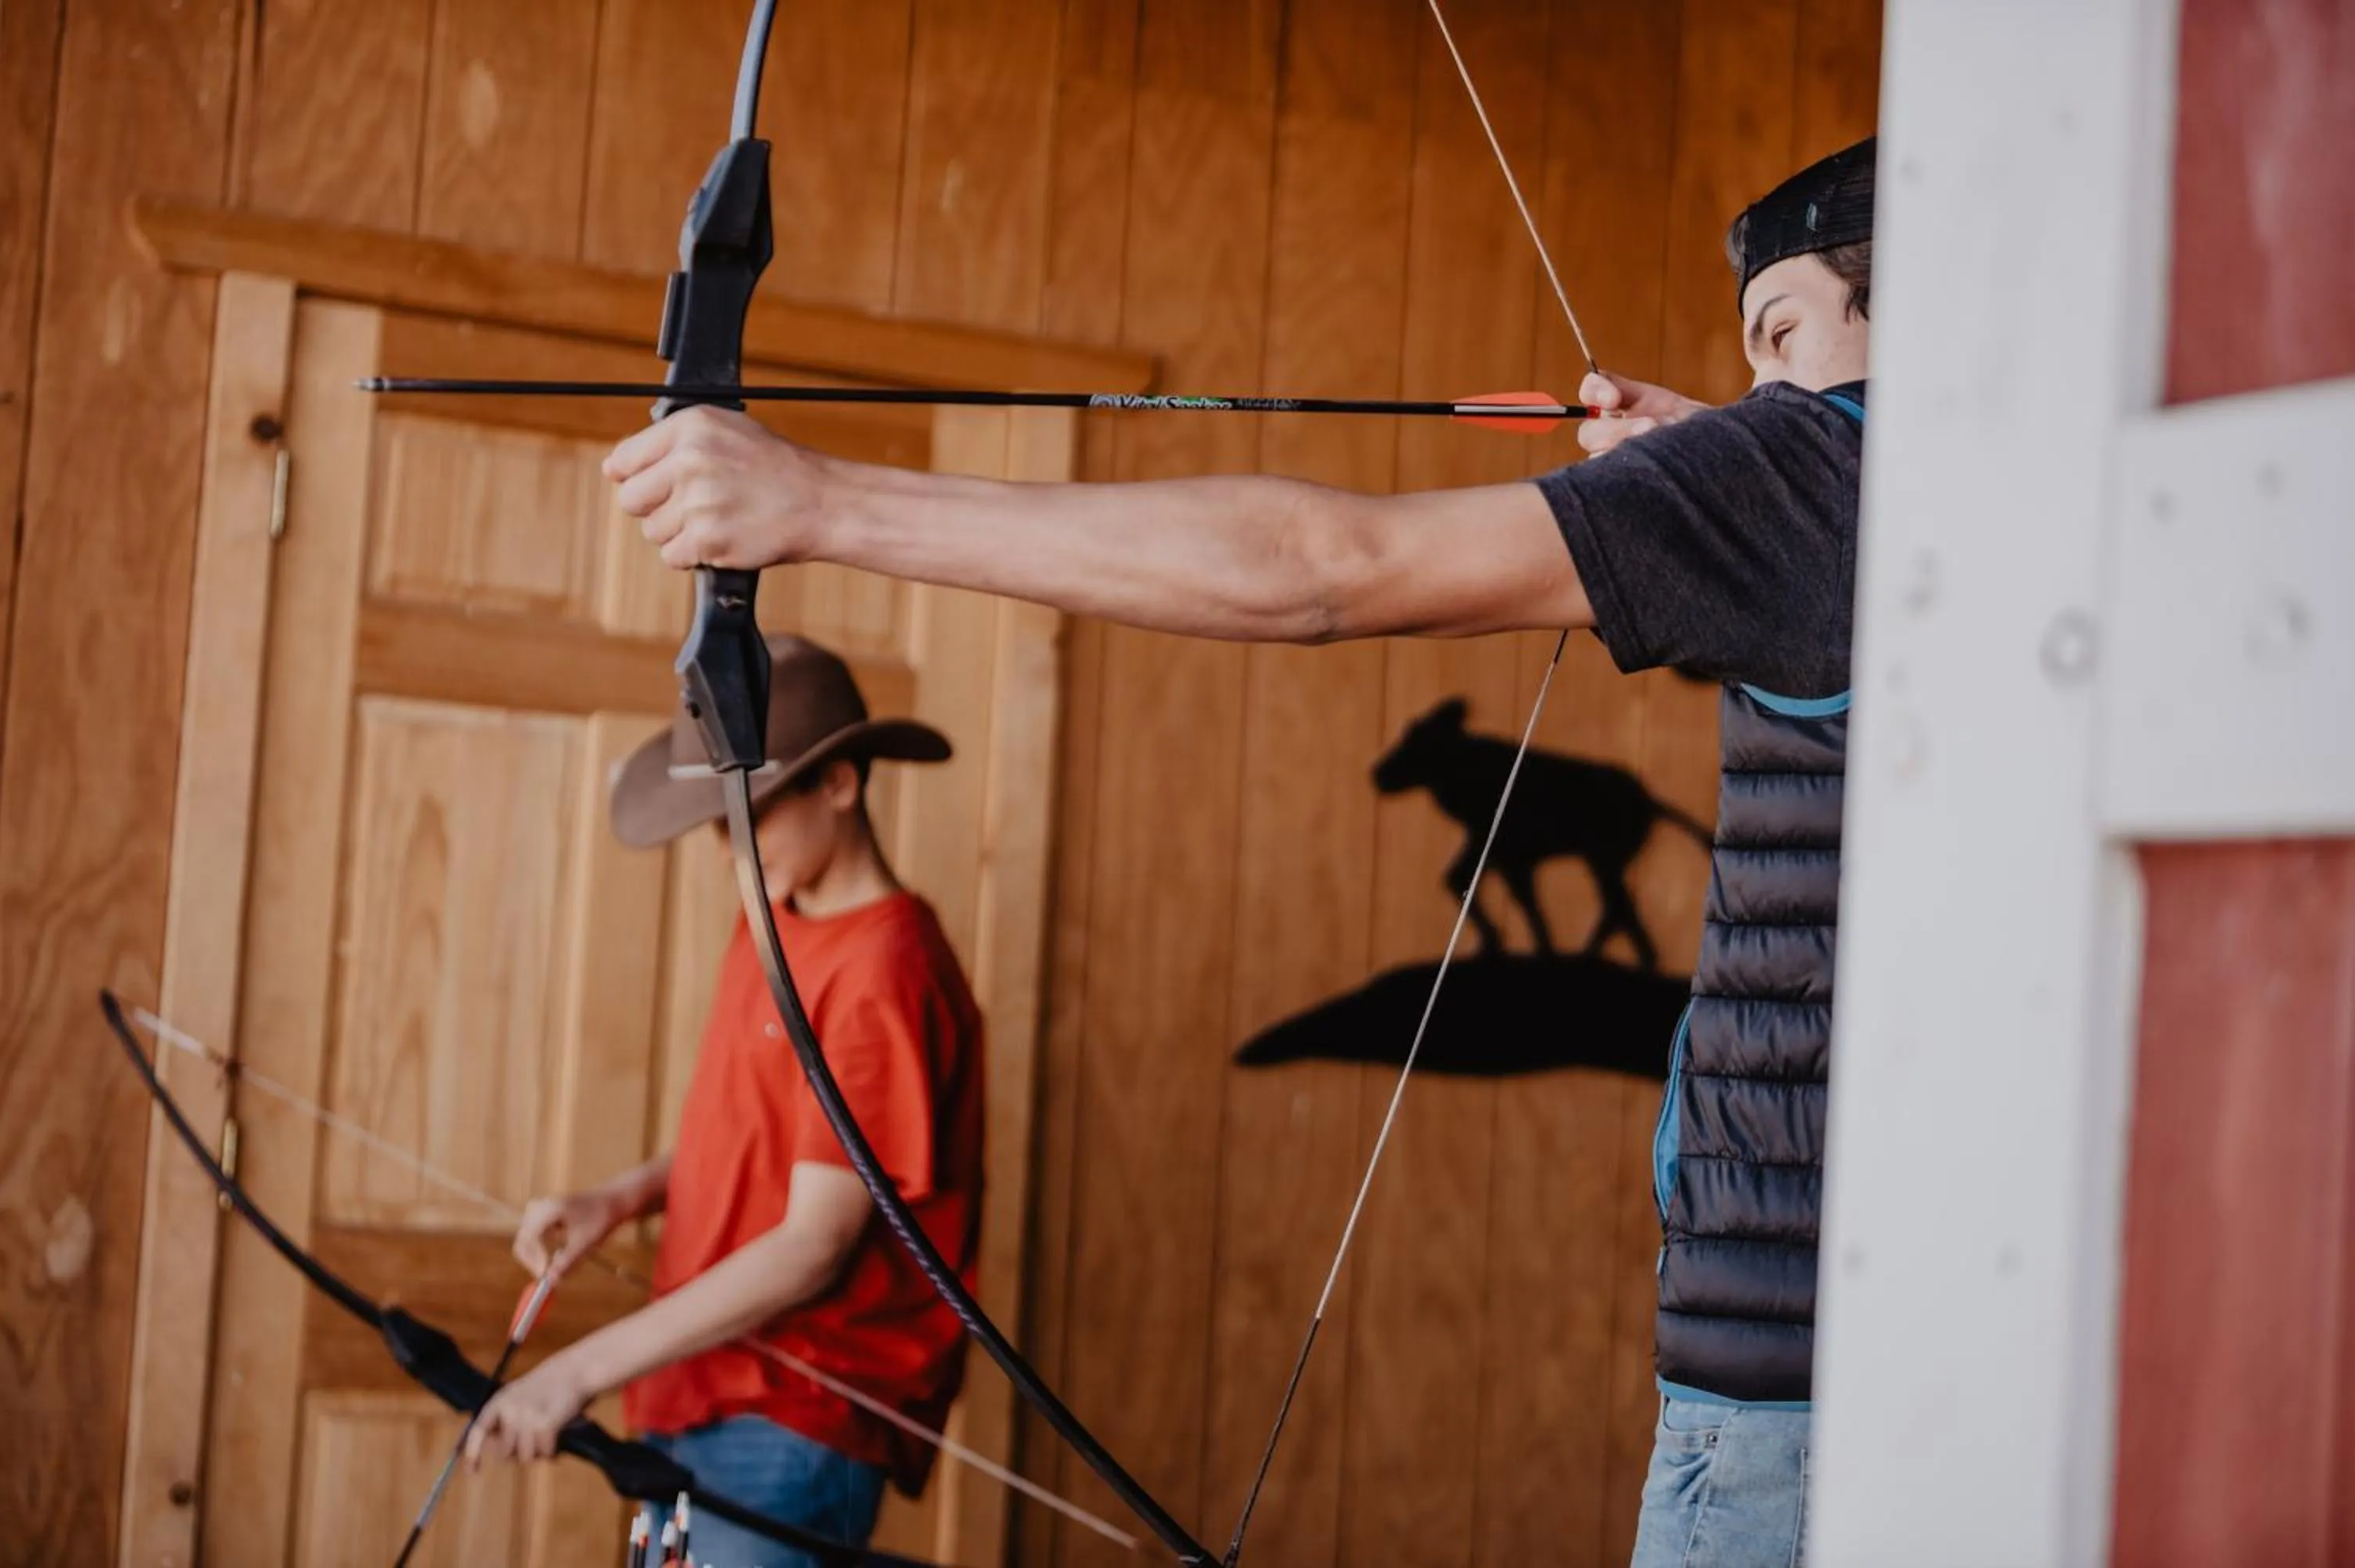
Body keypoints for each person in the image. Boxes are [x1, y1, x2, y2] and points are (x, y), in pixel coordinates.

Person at [605, 138, 1879, 1568]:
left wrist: (821, 505)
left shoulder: (1820, 469)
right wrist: (1719, 459)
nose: (1765, 397)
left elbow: (1327, 571)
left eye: (1783, 337)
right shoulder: (1914, 507)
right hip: (1855, 1374)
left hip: (1783, 1417)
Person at [463, 635, 986, 1568]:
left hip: (789, 1423)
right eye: (716, 822)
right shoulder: (774, 928)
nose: (730, 847)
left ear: (840, 785)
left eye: (753, 812)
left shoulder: (885, 971)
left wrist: (576, 1371)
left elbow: (813, 1244)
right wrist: (621, 1198)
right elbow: (761, 1146)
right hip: (691, 1392)